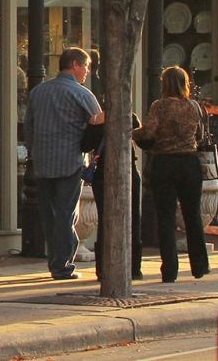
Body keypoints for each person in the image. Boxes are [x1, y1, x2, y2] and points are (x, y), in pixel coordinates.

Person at [26, 47, 105, 280]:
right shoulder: (82, 94)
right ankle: (62, 264)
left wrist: (34, 151)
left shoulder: (38, 92)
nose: (87, 73)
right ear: (75, 65)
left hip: (42, 162)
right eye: (86, 67)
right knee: (65, 213)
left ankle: (56, 260)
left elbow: (29, 126)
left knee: (50, 215)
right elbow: (99, 123)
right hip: (70, 161)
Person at [133, 66, 210, 283]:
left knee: (165, 218)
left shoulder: (160, 106)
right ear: (185, 83)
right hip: (189, 162)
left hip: (164, 163)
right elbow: (200, 135)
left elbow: (149, 132)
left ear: (164, 83)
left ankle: (170, 270)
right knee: (192, 215)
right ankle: (199, 265)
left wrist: (132, 132)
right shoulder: (194, 107)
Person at [88, 112, 143, 281]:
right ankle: (133, 268)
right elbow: (142, 138)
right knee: (132, 219)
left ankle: (103, 268)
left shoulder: (97, 121)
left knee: (105, 220)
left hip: (103, 172)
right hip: (128, 169)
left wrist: (92, 124)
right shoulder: (129, 116)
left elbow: (84, 145)